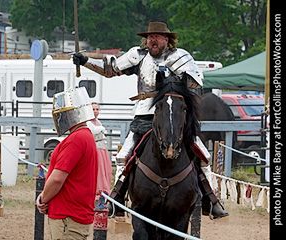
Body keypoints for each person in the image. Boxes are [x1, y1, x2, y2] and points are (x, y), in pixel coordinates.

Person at [73, 21, 228, 219]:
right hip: (144, 112)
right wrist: (85, 60)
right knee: (124, 155)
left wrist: (171, 76)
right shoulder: (137, 56)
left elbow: (195, 81)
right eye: (149, 37)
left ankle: (210, 200)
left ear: (167, 40)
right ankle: (116, 199)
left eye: (157, 36)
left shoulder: (180, 57)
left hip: (174, 115)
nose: (152, 40)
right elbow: (110, 69)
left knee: (202, 154)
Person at [36, 87, 98, 240]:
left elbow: (57, 178)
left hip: (68, 217)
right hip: (73, 216)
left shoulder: (76, 140)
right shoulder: (86, 136)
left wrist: (43, 199)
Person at [87, 102, 113, 201]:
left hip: (102, 147)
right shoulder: (88, 122)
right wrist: (102, 129)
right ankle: (98, 191)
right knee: (99, 170)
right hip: (96, 148)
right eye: (93, 109)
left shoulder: (97, 121)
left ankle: (104, 190)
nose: (95, 111)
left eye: (97, 109)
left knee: (106, 169)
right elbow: (93, 131)